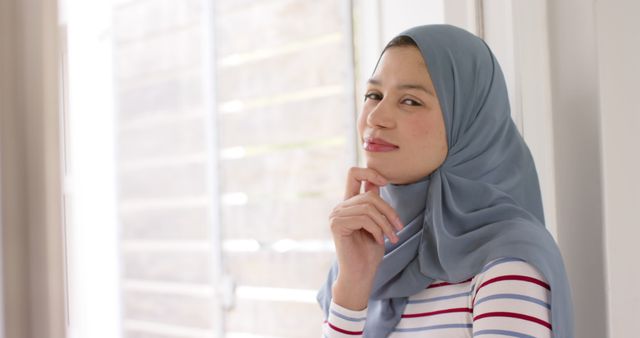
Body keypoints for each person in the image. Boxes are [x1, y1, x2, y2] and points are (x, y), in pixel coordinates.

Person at [317, 24, 574, 337]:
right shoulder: (360, 259)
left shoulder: (508, 263)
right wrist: (353, 282)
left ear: (468, 121)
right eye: (374, 95)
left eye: (410, 101)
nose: (375, 117)